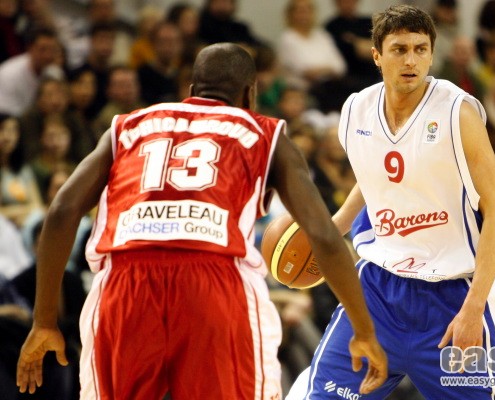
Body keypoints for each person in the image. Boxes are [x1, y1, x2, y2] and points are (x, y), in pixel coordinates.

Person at [15, 42, 387, 399]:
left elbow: (61, 212)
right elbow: (322, 234)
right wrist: (364, 329)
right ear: (250, 95)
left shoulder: (127, 126)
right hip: (214, 282)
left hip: (124, 281)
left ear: (191, 90)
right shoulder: (264, 133)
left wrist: (44, 321)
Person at [287, 5, 495, 399]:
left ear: (431, 54)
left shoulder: (457, 113)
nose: (411, 60)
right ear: (377, 55)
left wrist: (473, 307)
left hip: (451, 296)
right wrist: (333, 227)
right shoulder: (356, 110)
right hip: (379, 290)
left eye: (420, 49)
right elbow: (374, 177)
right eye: (399, 49)